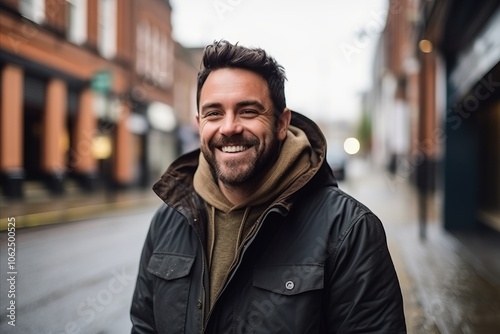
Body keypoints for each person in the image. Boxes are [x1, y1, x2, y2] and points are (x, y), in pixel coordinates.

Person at [130, 40, 406, 333]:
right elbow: (145, 326)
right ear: (199, 124)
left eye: (248, 111)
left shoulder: (349, 230)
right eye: (214, 113)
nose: (229, 127)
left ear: (281, 123)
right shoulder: (168, 220)